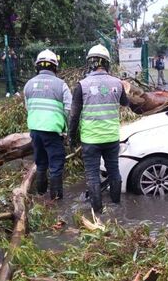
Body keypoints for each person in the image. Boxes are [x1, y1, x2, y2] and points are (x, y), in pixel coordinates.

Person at [68, 44, 129, 213]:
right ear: (107, 63)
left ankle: (98, 212)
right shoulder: (118, 83)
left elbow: (73, 115)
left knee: (93, 175)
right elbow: (125, 103)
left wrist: (71, 138)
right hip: (111, 138)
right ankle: (116, 206)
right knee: (114, 171)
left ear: (90, 63)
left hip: (91, 140)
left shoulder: (82, 85)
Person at [23, 49, 72, 200]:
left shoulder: (29, 85)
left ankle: (41, 195)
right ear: (55, 66)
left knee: (41, 163)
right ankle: (56, 199)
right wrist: (67, 130)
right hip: (53, 131)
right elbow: (69, 109)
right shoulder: (61, 85)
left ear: (38, 66)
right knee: (56, 165)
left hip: (36, 131)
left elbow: (27, 107)